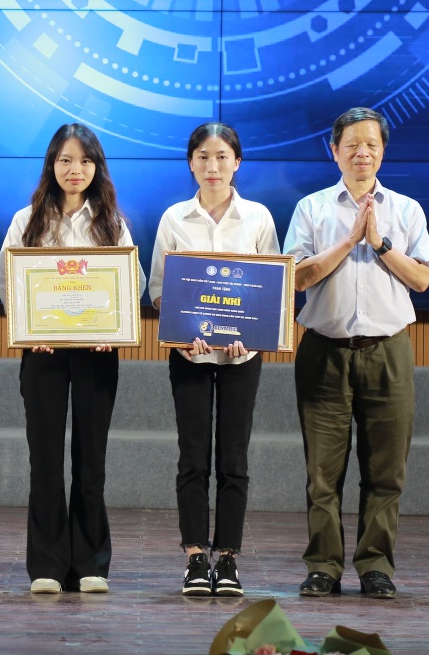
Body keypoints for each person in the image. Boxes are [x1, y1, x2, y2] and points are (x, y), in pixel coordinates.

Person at [283, 107, 429, 600]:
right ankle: (323, 567)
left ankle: (375, 567)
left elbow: (421, 278)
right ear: (334, 151)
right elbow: (296, 278)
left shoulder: (407, 210)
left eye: (371, 144)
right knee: (322, 472)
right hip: (324, 351)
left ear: (383, 151)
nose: (361, 153)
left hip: (388, 352)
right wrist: (350, 241)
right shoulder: (311, 209)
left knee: (385, 471)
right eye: (351, 145)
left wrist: (380, 243)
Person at [0, 123, 145, 595]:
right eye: (65, 160)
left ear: (96, 167)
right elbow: (5, 279)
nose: (74, 169)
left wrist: (113, 329)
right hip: (43, 353)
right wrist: (28, 328)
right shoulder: (27, 220)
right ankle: (47, 564)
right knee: (44, 459)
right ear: (51, 165)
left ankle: (91, 563)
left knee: (91, 459)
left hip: (98, 354)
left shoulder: (112, 222)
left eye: (84, 160)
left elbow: (133, 282)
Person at [148, 122, 280, 596]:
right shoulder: (174, 218)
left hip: (243, 358)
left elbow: (272, 290)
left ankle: (227, 558)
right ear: (191, 162)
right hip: (190, 356)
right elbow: (159, 289)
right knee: (192, 458)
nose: (213, 165)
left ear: (237, 162)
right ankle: (194, 558)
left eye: (222, 156)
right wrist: (180, 332)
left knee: (233, 459)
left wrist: (254, 334)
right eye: (203, 156)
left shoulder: (258, 217)